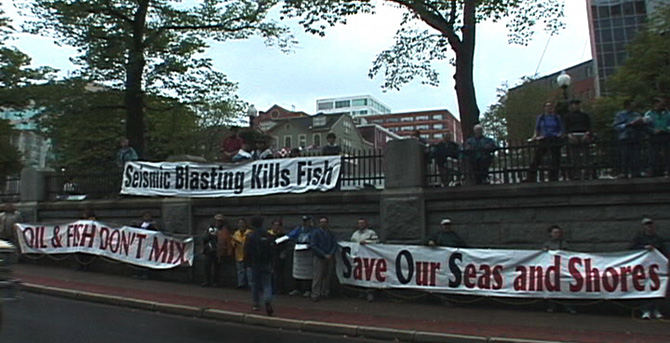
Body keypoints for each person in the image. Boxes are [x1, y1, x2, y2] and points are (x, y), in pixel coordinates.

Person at [629, 218, 667, 319]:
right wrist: (644, 248)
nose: (649, 227)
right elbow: (631, 250)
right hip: (643, 267)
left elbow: (664, 252)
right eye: (647, 225)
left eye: (650, 225)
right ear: (643, 227)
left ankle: (655, 309)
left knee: (656, 288)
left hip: (656, 268)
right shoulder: (639, 239)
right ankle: (645, 310)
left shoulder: (658, 239)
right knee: (644, 288)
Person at [245, 215, 276, 315]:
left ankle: (256, 303)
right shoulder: (268, 235)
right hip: (266, 263)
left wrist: (248, 263)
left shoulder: (251, 236)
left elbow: (247, 251)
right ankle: (267, 300)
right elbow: (272, 250)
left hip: (255, 263)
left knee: (255, 284)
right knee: (267, 283)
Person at [541, 225, 576, 314]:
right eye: (555, 232)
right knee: (551, 287)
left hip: (563, 269)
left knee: (565, 288)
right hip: (551, 269)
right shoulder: (547, 244)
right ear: (550, 234)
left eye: (558, 233)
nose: (557, 234)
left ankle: (568, 307)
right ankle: (551, 306)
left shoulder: (563, 243)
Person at [527, 102, 564, 182]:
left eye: (550, 107)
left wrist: (559, 135)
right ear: (544, 108)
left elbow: (561, 129)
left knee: (555, 158)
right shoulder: (541, 118)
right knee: (537, 157)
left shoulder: (557, 117)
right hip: (543, 138)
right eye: (547, 107)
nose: (549, 108)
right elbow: (537, 129)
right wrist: (534, 137)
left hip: (554, 138)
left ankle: (554, 177)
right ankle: (531, 177)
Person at [613, 100, 646, 178]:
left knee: (636, 155)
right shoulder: (620, 115)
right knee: (625, 156)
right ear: (627, 106)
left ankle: (636, 172)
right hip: (625, 137)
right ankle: (624, 172)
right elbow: (616, 126)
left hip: (635, 136)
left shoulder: (636, 114)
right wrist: (628, 124)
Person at [563, 100, 593, 180]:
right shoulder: (567, 116)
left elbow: (589, 126)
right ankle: (576, 174)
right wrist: (570, 136)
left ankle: (587, 173)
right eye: (574, 105)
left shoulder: (585, 115)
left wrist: (587, 134)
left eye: (577, 105)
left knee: (586, 156)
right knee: (574, 156)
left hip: (583, 134)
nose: (576, 106)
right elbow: (565, 128)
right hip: (573, 135)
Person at [350, 218, 379, 302]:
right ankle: (361, 292)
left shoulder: (371, 233)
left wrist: (366, 242)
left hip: (369, 258)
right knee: (359, 274)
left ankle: (370, 293)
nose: (361, 225)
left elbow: (376, 242)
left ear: (366, 224)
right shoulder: (355, 234)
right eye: (359, 223)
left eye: (363, 223)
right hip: (358, 258)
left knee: (369, 275)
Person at [310, 216, 338, 302]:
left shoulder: (330, 233)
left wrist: (331, 253)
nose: (323, 224)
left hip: (329, 256)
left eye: (325, 222)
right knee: (317, 276)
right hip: (319, 256)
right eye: (322, 222)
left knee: (327, 276)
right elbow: (313, 245)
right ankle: (315, 294)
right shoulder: (315, 233)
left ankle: (325, 292)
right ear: (319, 223)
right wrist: (323, 254)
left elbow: (334, 244)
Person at [286, 215, 315, 297]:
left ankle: (307, 289)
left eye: (307, 221)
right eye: (304, 221)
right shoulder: (298, 229)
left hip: (308, 252)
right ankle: (297, 288)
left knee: (308, 273)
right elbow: (290, 236)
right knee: (297, 272)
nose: (305, 223)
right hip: (298, 252)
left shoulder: (313, 230)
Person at [644, 98, 670, 177]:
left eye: (660, 104)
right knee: (653, 154)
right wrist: (652, 130)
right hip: (653, 136)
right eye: (657, 104)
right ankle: (654, 171)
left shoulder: (668, 113)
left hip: (666, 135)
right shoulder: (649, 114)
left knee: (667, 154)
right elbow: (645, 125)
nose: (659, 105)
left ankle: (667, 170)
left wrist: (665, 129)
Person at [267, 219, 288, 294]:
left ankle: (279, 289)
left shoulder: (283, 236)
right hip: (270, 256)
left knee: (279, 274)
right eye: (275, 225)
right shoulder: (268, 235)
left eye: (278, 225)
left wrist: (283, 253)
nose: (276, 227)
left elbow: (285, 246)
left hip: (279, 257)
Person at [232, 218, 254, 288]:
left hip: (248, 254)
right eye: (240, 223)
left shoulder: (250, 232)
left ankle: (250, 285)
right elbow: (233, 242)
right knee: (240, 270)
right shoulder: (236, 233)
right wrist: (234, 243)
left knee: (249, 271)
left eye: (242, 223)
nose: (241, 225)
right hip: (239, 254)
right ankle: (241, 284)